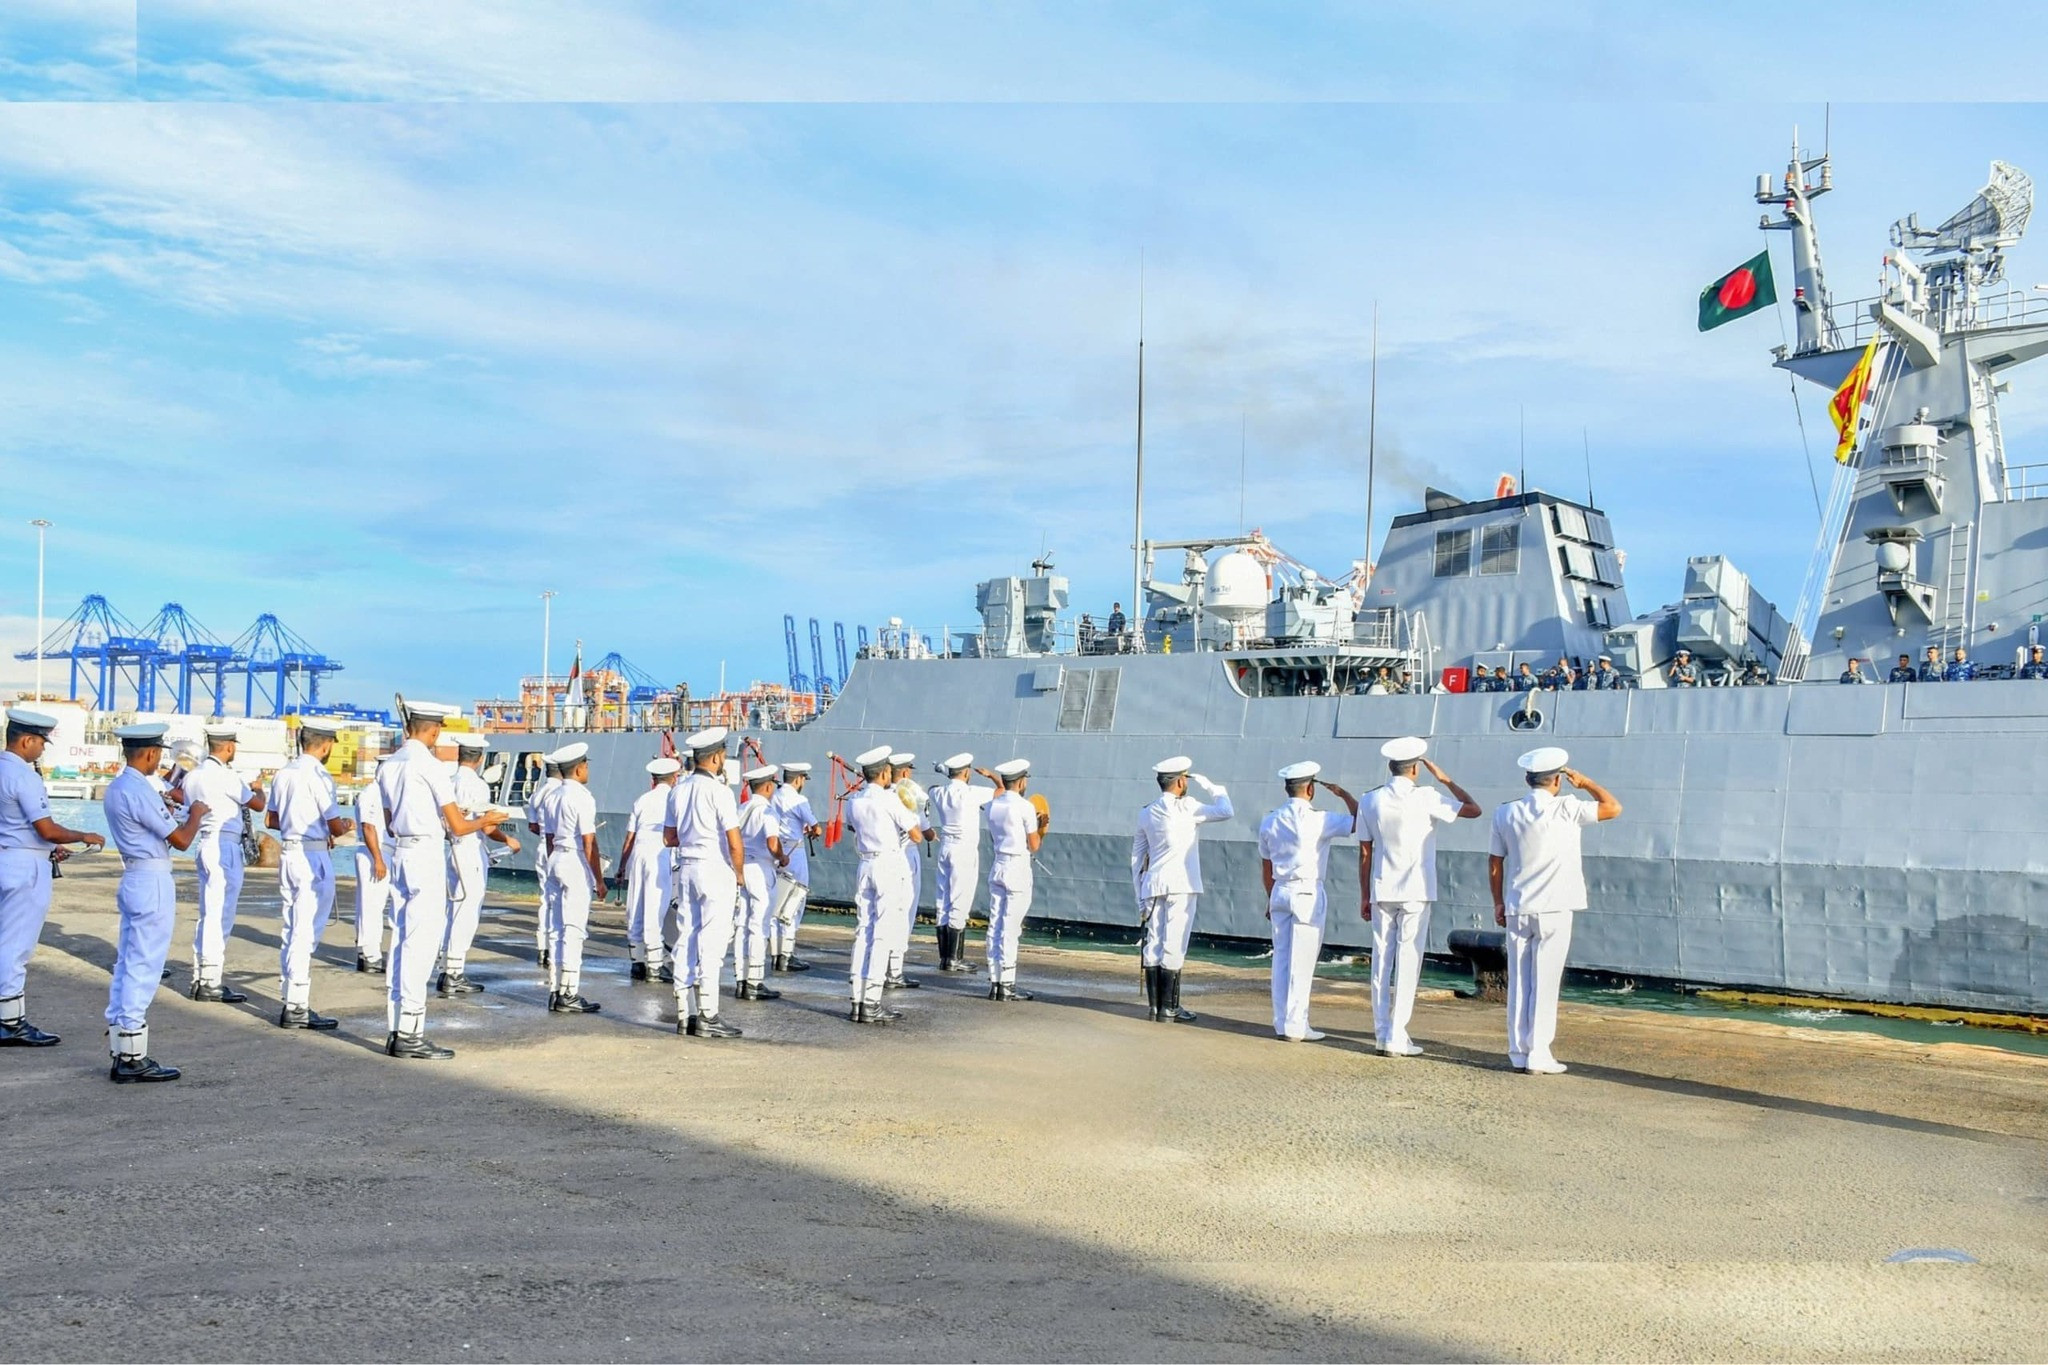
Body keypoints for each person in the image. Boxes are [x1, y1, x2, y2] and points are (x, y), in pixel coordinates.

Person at [378, 700, 506, 1060]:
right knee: (422, 943)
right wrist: (486, 819)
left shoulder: (389, 766)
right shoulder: (431, 767)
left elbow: (390, 822)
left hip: (401, 852)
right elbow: (459, 827)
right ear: (434, 731)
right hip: (426, 856)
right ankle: (411, 1033)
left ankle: (397, 1027)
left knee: (401, 941)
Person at [1489, 746, 1622, 1075]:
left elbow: (1495, 862)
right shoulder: (1568, 807)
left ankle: (1518, 1052)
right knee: (1545, 983)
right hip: (1555, 907)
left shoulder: (1505, 812)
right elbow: (1613, 807)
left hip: (1518, 906)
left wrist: (1498, 902)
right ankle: (1539, 1055)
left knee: (1519, 982)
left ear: (1527, 779)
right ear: (1558, 780)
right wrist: (1586, 783)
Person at [1358, 737, 1481, 1057]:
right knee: (1408, 960)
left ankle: (1382, 1033)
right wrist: (1446, 780)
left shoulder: (1369, 800)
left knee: (1380, 962)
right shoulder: (1427, 796)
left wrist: (1364, 895)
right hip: (1415, 890)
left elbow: (1365, 852)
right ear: (1415, 769)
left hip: (1382, 890)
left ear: (1390, 767)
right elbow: (1473, 810)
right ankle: (1397, 1035)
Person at [102, 722, 208, 1082]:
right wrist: (197, 813)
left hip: (134, 874)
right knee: (144, 964)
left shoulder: (118, 787)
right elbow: (181, 840)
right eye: (158, 753)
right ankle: (132, 1056)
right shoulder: (140, 789)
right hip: (151, 879)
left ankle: (121, 1044)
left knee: (127, 962)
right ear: (150, 753)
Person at [0, 707, 104, 1048]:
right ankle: (9, 1022)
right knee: (16, 946)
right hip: (25, 868)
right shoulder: (24, 776)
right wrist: (83, 835)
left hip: (7, 857)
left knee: (4, 940)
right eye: (41, 742)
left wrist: (47, 846)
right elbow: (46, 828)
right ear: (26, 741)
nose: (43, 748)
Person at [1256, 761, 1358, 1043]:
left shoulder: (1270, 820)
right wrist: (1344, 795)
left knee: (1281, 959)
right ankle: (1297, 1025)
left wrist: (1270, 897)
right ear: (1311, 789)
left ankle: (1281, 1022)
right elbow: (1360, 821)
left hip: (1280, 891)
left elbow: (1266, 865)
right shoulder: (1319, 819)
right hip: (1306, 892)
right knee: (1302, 961)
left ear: (1287, 789)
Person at [266, 716, 355, 1030]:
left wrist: (298, 824)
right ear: (326, 745)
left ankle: (290, 997)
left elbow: (271, 820)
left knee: (291, 928)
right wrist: (345, 825)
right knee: (306, 932)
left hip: (289, 852)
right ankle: (297, 1006)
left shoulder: (284, 773)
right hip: (312, 855)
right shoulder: (319, 776)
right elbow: (335, 826)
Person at [1131, 756, 1233, 1024]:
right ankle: (1170, 1008)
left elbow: (1136, 859)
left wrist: (1139, 895)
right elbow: (1226, 811)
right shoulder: (1188, 807)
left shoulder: (1146, 812)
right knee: (1174, 943)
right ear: (1179, 782)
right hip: (1181, 886)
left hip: (1152, 886)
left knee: (1154, 942)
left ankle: (1154, 1007)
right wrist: (1213, 787)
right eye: (1185, 778)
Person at [665, 727, 744, 1039]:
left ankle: (684, 1014)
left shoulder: (677, 790)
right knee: (712, 943)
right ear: (715, 758)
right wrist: (739, 874)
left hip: (687, 868)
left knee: (686, 937)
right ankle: (709, 1015)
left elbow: (668, 837)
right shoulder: (720, 792)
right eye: (723, 755)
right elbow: (734, 842)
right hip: (714, 867)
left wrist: (691, 837)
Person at [181, 722, 265, 1005]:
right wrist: (258, 788)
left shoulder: (192, 776)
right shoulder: (227, 777)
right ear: (229, 747)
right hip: (224, 847)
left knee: (208, 913)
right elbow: (257, 805)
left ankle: (200, 976)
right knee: (221, 915)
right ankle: (211, 981)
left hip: (204, 842)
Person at [841, 745, 923, 1024]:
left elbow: (852, 826)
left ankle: (857, 999)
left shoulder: (854, 801)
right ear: (886, 773)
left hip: (865, 864)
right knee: (882, 934)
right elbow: (916, 835)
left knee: (863, 930)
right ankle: (872, 1002)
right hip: (888, 866)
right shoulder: (890, 800)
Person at [441, 733, 517, 996]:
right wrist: (507, 839)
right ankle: (454, 973)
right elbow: (487, 827)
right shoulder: (479, 785)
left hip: (452, 850)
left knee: (453, 909)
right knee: (467, 910)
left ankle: (447, 967)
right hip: (470, 850)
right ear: (480, 758)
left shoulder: (449, 782)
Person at [544, 742, 603, 1015]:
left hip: (555, 857)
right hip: (574, 860)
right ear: (579, 769)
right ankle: (569, 992)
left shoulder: (552, 796)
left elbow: (548, 837)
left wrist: (553, 862)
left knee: (556, 928)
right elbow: (589, 842)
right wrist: (599, 879)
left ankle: (556, 989)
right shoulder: (582, 797)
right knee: (574, 930)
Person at [927, 753, 999, 973]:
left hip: (945, 848)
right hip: (964, 851)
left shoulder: (939, 793)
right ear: (967, 772)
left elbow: (931, 789)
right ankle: (954, 959)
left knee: (943, 901)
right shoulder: (972, 793)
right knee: (960, 901)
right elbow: (1004, 791)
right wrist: (991, 776)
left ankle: (944, 957)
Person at [983, 758, 1045, 1001]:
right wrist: (1041, 827)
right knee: (1011, 927)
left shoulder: (992, 805)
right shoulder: (1025, 807)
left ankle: (995, 981)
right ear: (1020, 782)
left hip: (998, 863)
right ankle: (1008, 984)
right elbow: (1034, 845)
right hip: (1017, 866)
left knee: (995, 924)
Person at [622, 757, 681, 982]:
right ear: (674, 778)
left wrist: (621, 866)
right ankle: (655, 966)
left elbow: (629, 838)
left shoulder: (642, 800)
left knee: (635, 907)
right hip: (660, 854)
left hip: (638, 855)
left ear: (653, 779)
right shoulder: (675, 799)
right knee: (655, 910)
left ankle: (637, 962)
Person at [732, 765, 787, 1001]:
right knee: (760, 924)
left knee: (742, 924)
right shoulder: (767, 811)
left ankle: (741, 979)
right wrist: (782, 857)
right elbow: (772, 843)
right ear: (767, 786)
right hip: (761, 870)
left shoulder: (741, 808)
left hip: (742, 867)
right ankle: (755, 981)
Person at [768, 761, 820, 972]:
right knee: (794, 902)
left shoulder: (774, 796)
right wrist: (812, 831)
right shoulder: (799, 800)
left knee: (776, 904)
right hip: (794, 853)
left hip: (776, 851)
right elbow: (816, 827)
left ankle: (774, 954)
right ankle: (786, 956)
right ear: (799, 779)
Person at [882, 752, 928, 989]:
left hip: (881, 860)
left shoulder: (879, 797)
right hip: (905, 860)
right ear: (906, 772)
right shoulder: (910, 798)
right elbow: (921, 833)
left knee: (882, 915)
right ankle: (895, 970)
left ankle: (878, 968)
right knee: (904, 913)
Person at [353, 755, 392, 974]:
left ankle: (367, 953)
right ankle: (370, 956)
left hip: (382, 851)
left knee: (374, 904)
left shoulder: (385, 794)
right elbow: (368, 827)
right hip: (373, 852)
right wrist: (378, 859)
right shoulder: (371, 793)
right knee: (371, 905)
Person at [526, 752, 564, 969]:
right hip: (559, 848)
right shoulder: (560, 793)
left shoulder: (537, 794)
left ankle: (543, 946)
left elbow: (533, 826)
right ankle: (557, 948)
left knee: (545, 898)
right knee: (560, 900)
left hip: (542, 846)